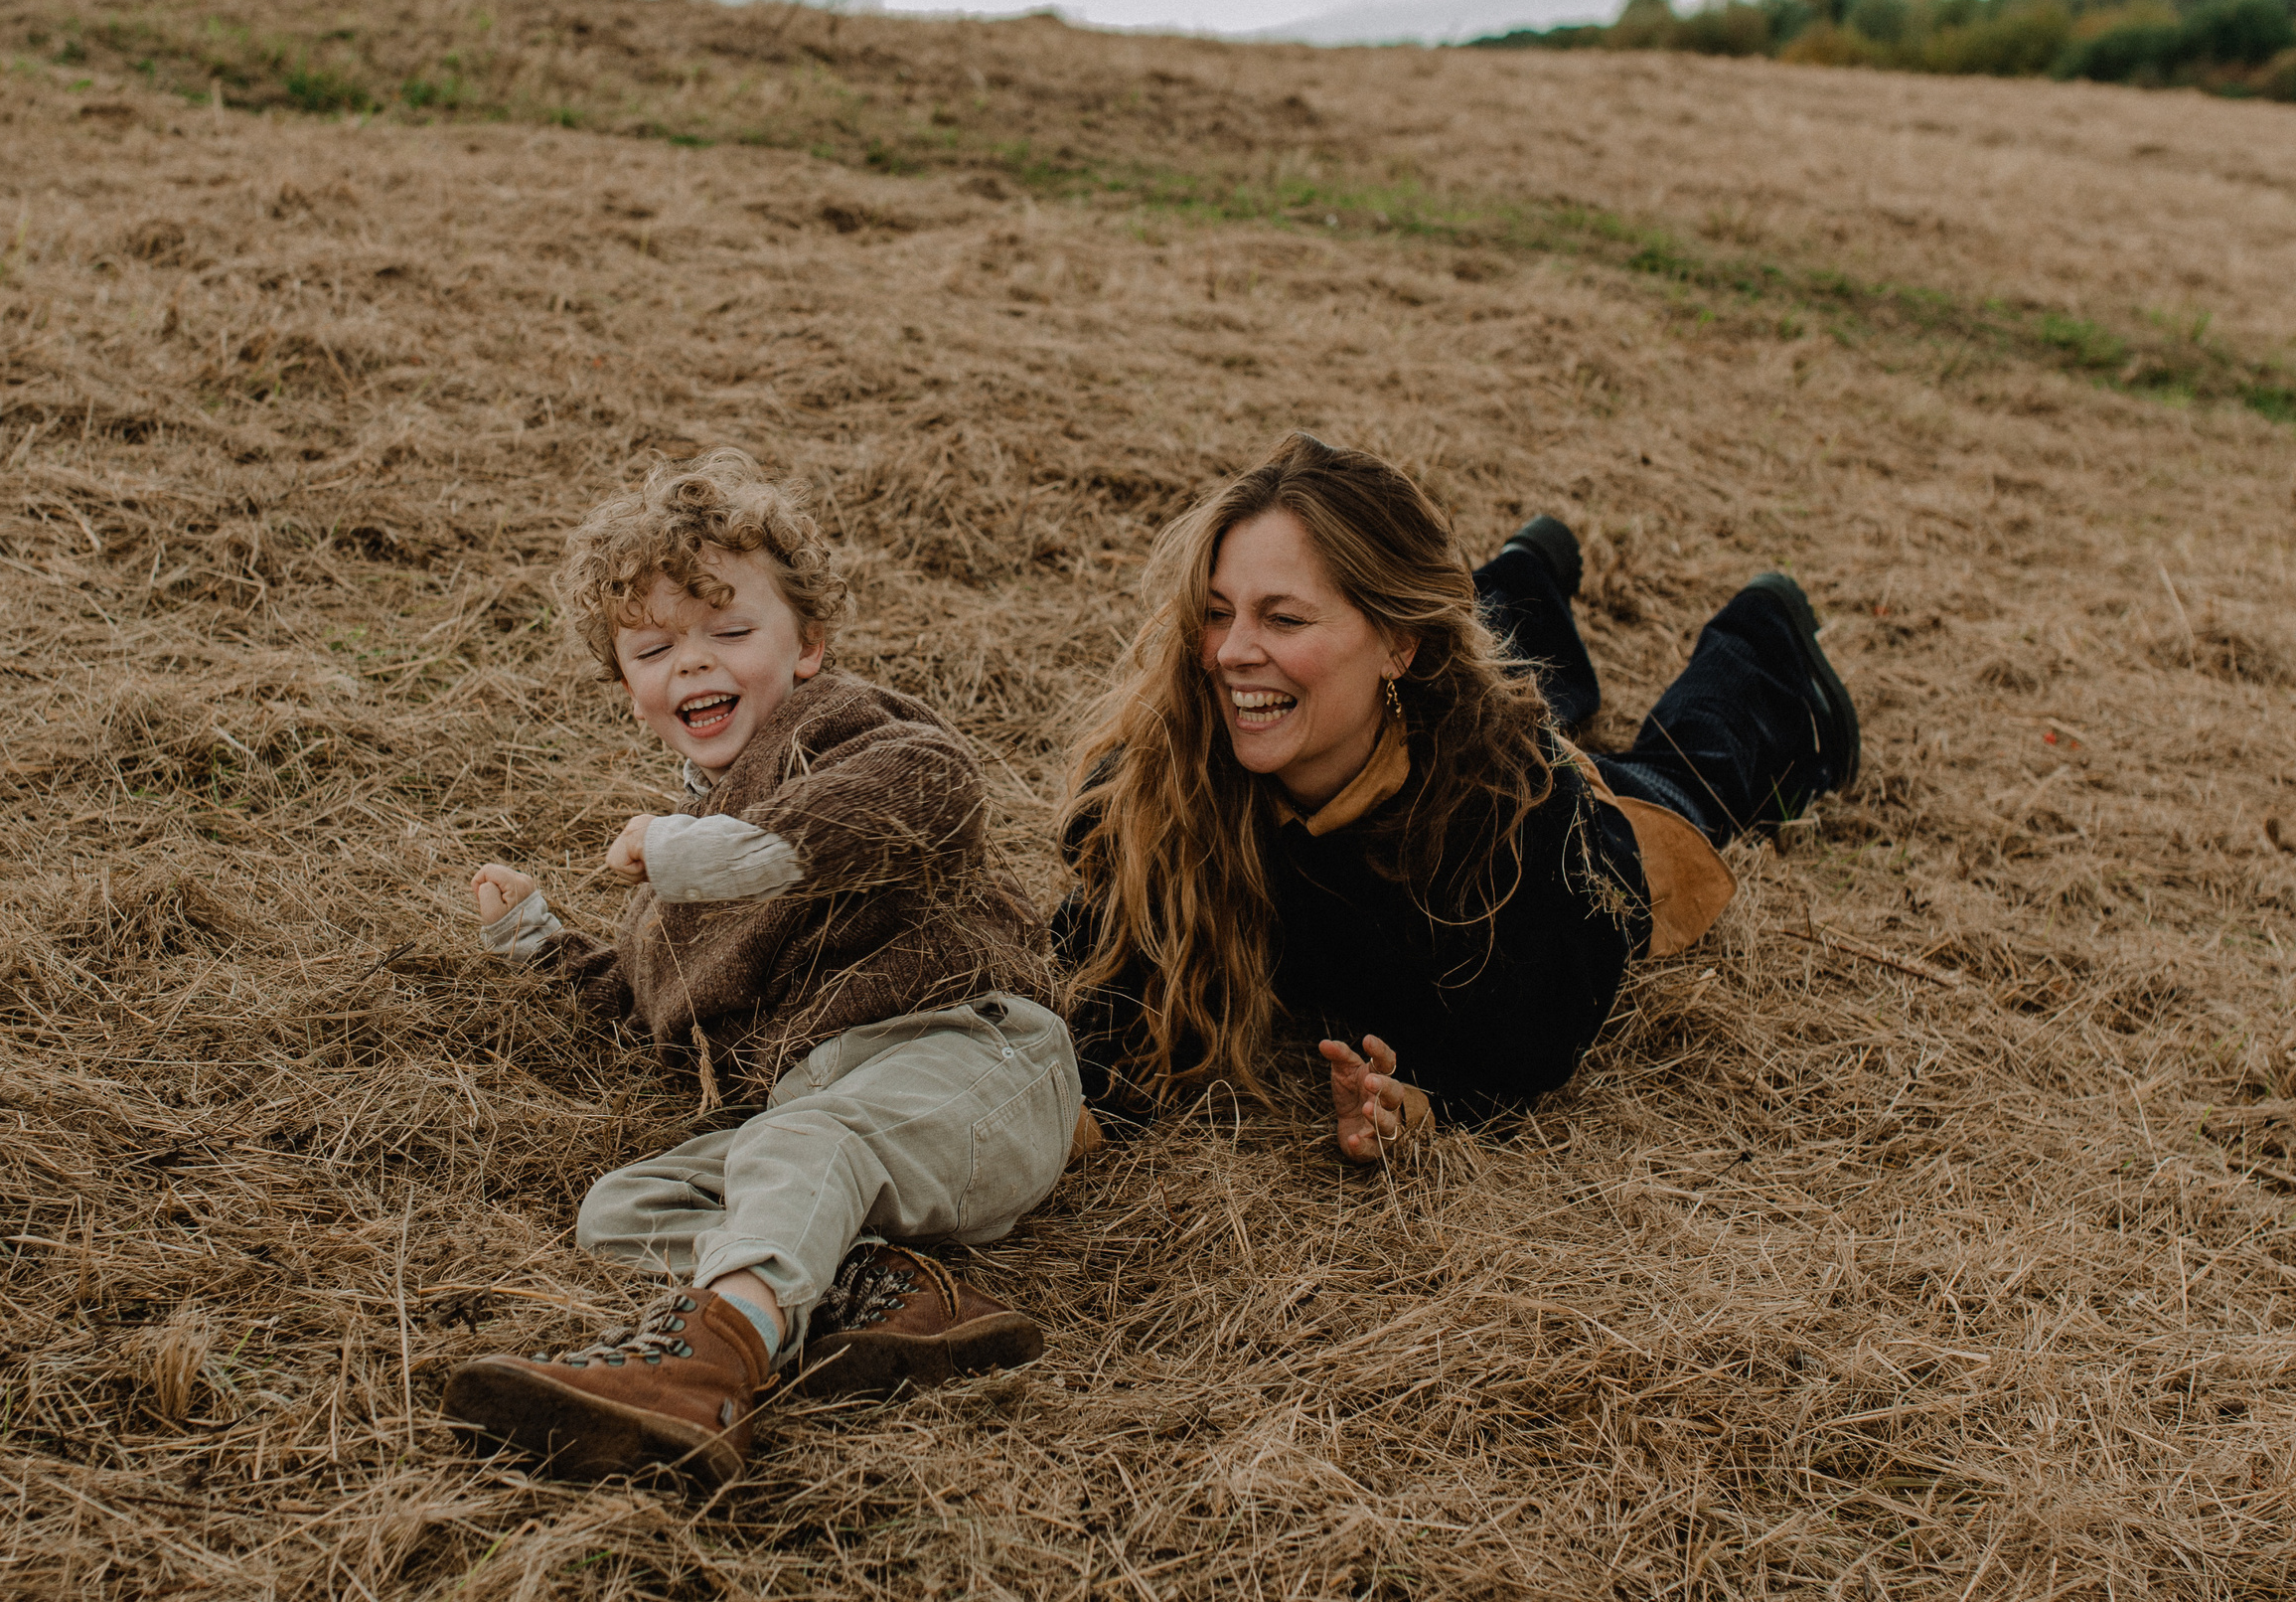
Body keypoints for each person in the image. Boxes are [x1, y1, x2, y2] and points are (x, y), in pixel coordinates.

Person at [441, 452, 1081, 1485]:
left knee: (798, 1140)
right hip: (830, 1122)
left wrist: (704, 854)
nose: (694, 663)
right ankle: (895, 1289)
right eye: (654, 646)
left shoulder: (843, 733)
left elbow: (929, 789)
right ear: (626, 681)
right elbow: (652, 1002)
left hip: (971, 1061)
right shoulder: (675, 885)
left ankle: (701, 1370)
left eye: (731, 632)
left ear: (809, 646)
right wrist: (540, 940)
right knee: (624, 1209)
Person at [1054, 432, 1858, 1157]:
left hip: (1583, 820)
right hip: (1419, 703)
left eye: (1284, 618)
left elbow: (1530, 1037)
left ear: (1397, 645)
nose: (1231, 653)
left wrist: (1428, 1104)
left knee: (1677, 775)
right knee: (1490, 658)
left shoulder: (1514, 817)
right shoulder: (1167, 774)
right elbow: (1110, 984)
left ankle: (1759, 636)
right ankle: (1524, 574)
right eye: (1217, 612)